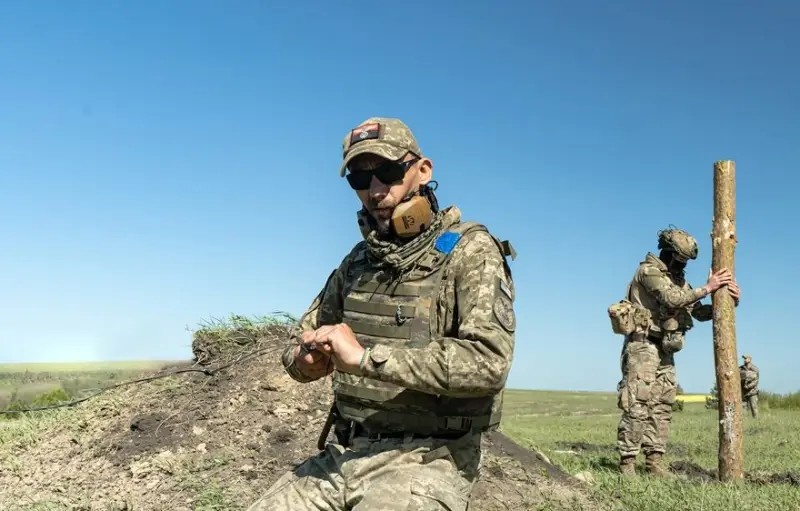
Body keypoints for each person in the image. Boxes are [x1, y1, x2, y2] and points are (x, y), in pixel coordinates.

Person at [247, 117, 516, 510]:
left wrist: (365, 359)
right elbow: (297, 344)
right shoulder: (357, 262)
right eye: (360, 179)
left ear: (422, 170)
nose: (375, 191)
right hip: (346, 454)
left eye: (388, 172)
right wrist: (306, 361)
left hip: (429, 459)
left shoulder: (470, 251)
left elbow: (489, 363)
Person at [616, 227, 741, 477]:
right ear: (667, 252)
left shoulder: (680, 280)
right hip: (642, 345)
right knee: (638, 404)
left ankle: (654, 463)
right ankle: (627, 464)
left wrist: (727, 300)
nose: (682, 265)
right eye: (679, 259)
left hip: (665, 347)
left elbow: (698, 311)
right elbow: (672, 299)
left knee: (662, 405)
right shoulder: (648, 271)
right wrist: (708, 287)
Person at [740, 354, 760, 418]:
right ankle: (744, 421)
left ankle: (756, 421)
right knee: (743, 407)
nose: (744, 360)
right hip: (743, 392)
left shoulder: (754, 368)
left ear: (750, 360)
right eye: (744, 358)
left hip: (752, 391)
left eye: (746, 358)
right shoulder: (741, 368)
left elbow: (756, 380)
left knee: (754, 407)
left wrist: (748, 386)